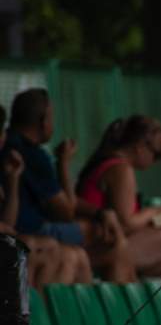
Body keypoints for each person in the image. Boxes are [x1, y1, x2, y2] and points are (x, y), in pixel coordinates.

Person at [73, 116, 161, 284]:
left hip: (110, 243)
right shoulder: (120, 168)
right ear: (140, 147)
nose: (156, 161)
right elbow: (126, 223)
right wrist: (154, 212)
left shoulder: (110, 163)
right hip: (103, 248)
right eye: (157, 154)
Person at [3, 89, 99, 285]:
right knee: (95, 235)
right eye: (52, 118)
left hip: (24, 231)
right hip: (32, 230)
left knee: (75, 255)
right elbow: (67, 212)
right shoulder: (30, 154)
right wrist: (63, 163)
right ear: (43, 121)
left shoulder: (10, 148)